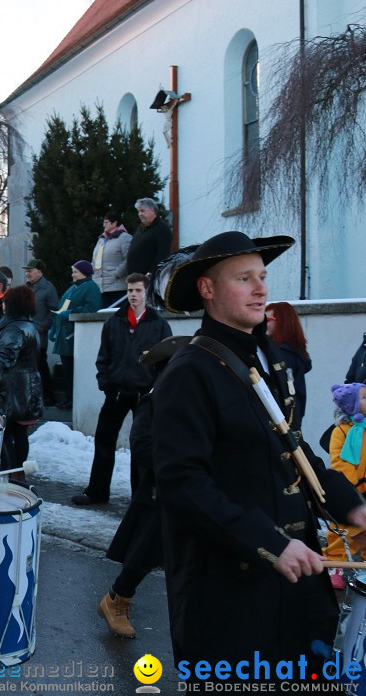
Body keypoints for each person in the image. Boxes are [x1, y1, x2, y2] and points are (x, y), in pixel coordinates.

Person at [153, 230, 366, 680]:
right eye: (244, 278)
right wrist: (270, 544)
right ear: (207, 290)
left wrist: (353, 506)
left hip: (295, 591)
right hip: (230, 594)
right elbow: (181, 484)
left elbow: (292, 448)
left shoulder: (269, 358)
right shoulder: (189, 372)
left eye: (263, 276)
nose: (261, 289)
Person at [98, 334, 190, 639]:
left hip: (189, 490)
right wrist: (174, 469)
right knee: (145, 554)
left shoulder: (189, 400)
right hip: (159, 491)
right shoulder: (154, 399)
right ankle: (117, 600)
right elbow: (140, 446)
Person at [72, 273, 170, 505]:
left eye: (137, 290)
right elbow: (103, 356)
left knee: (141, 446)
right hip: (116, 392)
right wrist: (105, 382)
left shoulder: (158, 324)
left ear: (146, 293)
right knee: (104, 441)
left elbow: (167, 361)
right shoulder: (114, 321)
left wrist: (156, 389)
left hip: (144, 394)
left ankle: (140, 495)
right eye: (129, 290)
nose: (133, 295)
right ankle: (97, 492)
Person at [0, 285, 43, 472]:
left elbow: (5, 357)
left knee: (8, 433)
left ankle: (12, 472)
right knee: (17, 433)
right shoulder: (28, 325)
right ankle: (16, 472)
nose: (3, 305)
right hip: (25, 386)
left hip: (14, 389)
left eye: (5, 302)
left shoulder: (15, 329)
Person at [323, 383, 366, 589]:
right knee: (342, 529)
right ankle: (335, 564)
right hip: (350, 488)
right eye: (364, 398)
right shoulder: (341, 431)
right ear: (352, 406)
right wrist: (351, 486)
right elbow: (340, 461)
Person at [48, 260, 100, 410]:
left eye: (75, 271)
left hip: (74, 336)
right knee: (66, 370)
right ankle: (67, 397)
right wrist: (54, 328)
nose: (73, 274)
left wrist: (71, 313)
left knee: (73, 371)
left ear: (84, 272)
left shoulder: (91, 288)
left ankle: (72, 399)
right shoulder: (73, 287)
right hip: (64, 335)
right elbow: (61, 309)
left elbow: (91, 308)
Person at [265, 301, 311, 434]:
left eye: (268, 319)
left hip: (283, 426)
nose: (263, 323)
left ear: (282, 322)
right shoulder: (293, 354)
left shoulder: (284, 355)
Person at [23, 259, 58, 404]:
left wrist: (42, 327)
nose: (27, 273)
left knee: (40, 365)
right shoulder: (26, 288)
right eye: (26, 271)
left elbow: (54, 311)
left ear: (39, 272)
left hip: (38, 335)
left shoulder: (48, 288)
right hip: (26, 333)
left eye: (30, 271)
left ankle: (48, 395)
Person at [92, 212, 133, 308]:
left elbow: (129, 259)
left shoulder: (125, 238)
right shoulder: (101, 239)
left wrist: (116, 273)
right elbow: (95, 259)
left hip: (117, 287)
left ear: (114, 223)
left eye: (106, 222)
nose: (104, 225)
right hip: (100, 287)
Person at [125, 198, 171, 278]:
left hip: (148, 279)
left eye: (142, 211)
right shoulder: (141, 228)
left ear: (152, 210)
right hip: (135, 278)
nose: (139, 214)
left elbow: (163, 254)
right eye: (138, 211)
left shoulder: (162, 228)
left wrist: (151, 273)